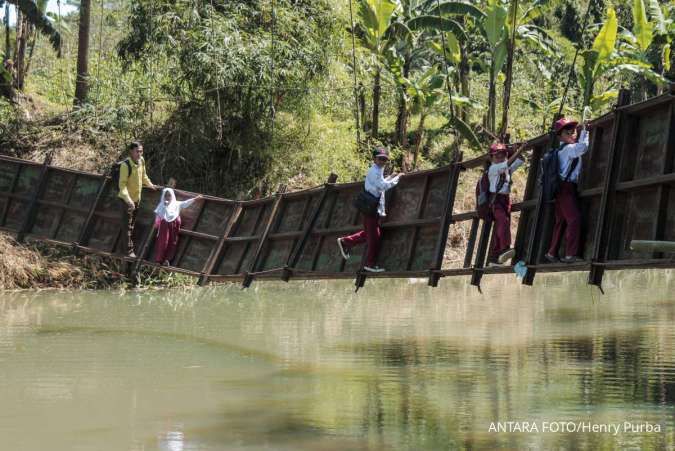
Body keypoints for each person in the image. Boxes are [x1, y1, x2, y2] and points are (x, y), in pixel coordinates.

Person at [337, 147, 401, 272]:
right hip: (371, 207)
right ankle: (370, 264)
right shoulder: (374, 171)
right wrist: (398, 179)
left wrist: (391, 176)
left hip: (372, 207)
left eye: (385, 159)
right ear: (374, 159)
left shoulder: (378, 169)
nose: (383, 161)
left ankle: (345, 242)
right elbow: (382, 186)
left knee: (369, 234)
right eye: (380, 158)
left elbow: (380, 183)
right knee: (374, 237)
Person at [545, 118, 589, 264]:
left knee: (561, 221)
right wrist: (586, 131)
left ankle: (552, 252)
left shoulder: (560, 150)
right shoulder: (569, 149)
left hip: (560, 188)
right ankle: (570, 254)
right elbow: (583, 148)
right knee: (574, 219)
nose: (572, 132)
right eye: (567, 131)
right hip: (566, 188)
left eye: (573, 130)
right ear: (559, 136)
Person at [486, 142, 526, 267]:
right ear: (491, 158)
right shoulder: (493, 168)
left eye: (503, 155)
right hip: (496, 200)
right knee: (502, 222)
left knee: (502, 225)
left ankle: (495, 258)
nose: (500, 157)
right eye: (497, 156)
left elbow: (520, 160)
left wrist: (515, 151)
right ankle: (505, 248)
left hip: (505, 199)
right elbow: (507, 163)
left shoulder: (505, 168)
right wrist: (519, 150)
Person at [118, 141, 157, 258]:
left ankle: (126, 249)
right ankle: (129, 252)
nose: (139, 154)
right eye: (137, 151)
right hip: (127, 201)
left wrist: (151, 185)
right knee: (127, 227)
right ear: (131, 151)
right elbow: (122, 186)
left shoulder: (141, 161)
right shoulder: (126, 165)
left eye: (141, 151)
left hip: (137, 199)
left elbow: (143, 176)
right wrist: (128, 200)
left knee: (132, 226)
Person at [153, 188, 202, 266]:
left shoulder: (176, 204)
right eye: (166, 195)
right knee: (163, 241)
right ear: (163, 196)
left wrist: (196, 199)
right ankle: (159, 260)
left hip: (175, 224)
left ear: (172, 196)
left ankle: (167, 260)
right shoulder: (162, 205)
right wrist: (157, 223)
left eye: (169, 195)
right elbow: (158, 215)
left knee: (173, 241)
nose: (167, 197)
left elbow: (185, 203)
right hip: (164, 225)